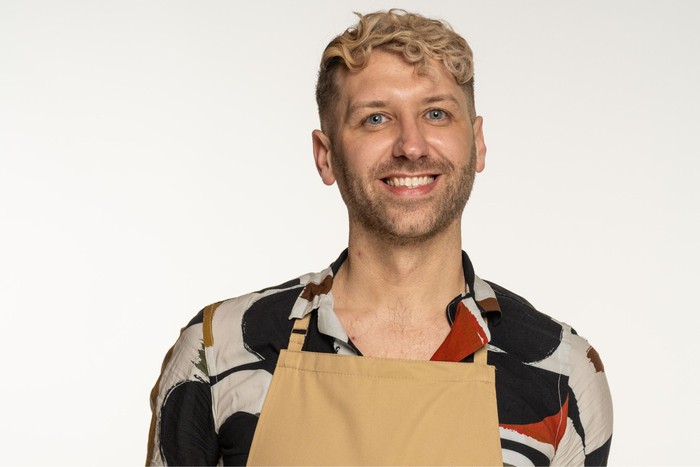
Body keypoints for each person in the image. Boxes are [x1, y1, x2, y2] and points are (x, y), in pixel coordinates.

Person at [146, 9, 613, 466]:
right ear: (325, 156)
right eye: (375, 118)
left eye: (435, 113)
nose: (411, 145)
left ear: (477, 143)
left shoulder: (561, 372)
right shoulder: (219, 350)